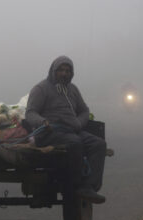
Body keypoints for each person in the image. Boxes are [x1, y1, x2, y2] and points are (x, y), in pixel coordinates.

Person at [25, 56, 106, 204]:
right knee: (75, 143)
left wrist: (79, 123)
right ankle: (75, 186)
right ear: (53, 71)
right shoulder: (41, 89)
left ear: (72, 73)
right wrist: (42, 121)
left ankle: (89, 187)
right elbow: (30, 113)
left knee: (99, 144)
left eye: (68, 71)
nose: (64, 73)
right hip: (49, 133)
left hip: (72, 131)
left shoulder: (73, 90)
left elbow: (84, 111)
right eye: (61, 70)